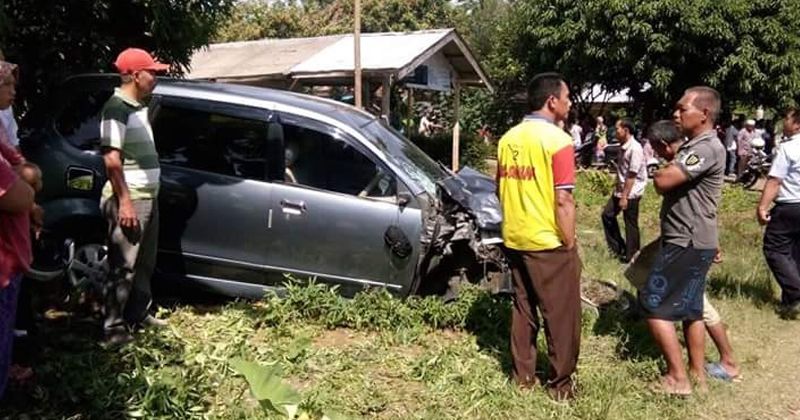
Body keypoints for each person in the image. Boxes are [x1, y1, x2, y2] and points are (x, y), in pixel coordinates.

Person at [496, 72, 581, 401]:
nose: (570, 103)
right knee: (561, 316)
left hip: (515, 236)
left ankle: (523, 378)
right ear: (552, 101)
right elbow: (563, 199)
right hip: (547, 241)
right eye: (567, 97)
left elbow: (499, 188)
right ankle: (561, 387)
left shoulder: (508, 139)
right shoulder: (559, 141)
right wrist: (570, 242)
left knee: (523, 308)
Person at [641, 87, 725, 396]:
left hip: (685, 240)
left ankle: (678, 379)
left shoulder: (702, 148)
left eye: (682, 109)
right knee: (690, 310)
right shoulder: (702, 145)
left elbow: (663, 181)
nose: (676, 114)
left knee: (653, 303)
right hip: (697, 239)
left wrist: (662, 171)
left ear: (703, 114)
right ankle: (697, 373)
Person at [100, 48, 170, 345]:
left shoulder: (138, 106)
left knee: (144, 262)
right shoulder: (116, 108)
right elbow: (112, 160)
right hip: (130, 200)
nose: (155, 78)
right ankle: (112, 330)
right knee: (123, 266)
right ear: (133, 75)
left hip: (147, 197)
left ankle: (138, 314)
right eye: (151, 72)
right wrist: (125, 202)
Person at [0, 59, 37, 399]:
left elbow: (26, 170)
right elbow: (19, 194)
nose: (14, 91)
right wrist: (27, 193)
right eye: (7, 85)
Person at [757, 107, 800, 320]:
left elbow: (775, 180)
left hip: (790, 205)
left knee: (774, 248)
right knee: (794, 252)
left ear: (797, 124)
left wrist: (762, 206)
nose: (784, 122)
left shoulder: (789, 148)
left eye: (787, 119)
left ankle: (796, 292)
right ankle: (790, 302)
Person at [601, 118, 647, 262]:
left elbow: (632, 175)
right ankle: (617, 248)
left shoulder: (635, 148)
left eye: (617, 129)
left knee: (630, 222)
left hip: (631, 192)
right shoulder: (623, 146)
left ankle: (632, 254)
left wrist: (624, 197)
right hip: (621, 190)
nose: (615, 132)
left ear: (626, 130)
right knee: (607, 215)